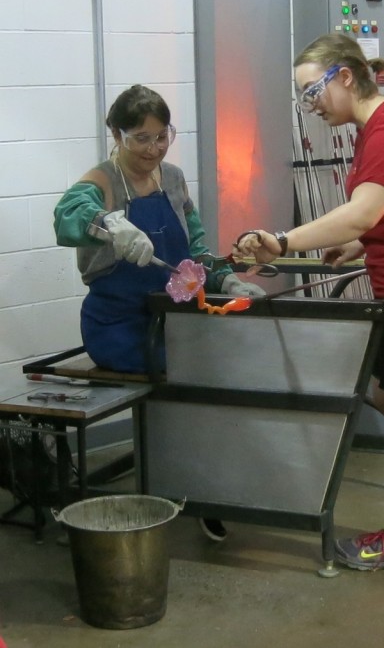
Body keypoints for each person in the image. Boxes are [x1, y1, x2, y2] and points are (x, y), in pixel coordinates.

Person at [236, 34, 384, 571]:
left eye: (312, 91)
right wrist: (365, 242)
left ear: (345, 76)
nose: (310, 104)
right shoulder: (381, 126)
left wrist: (284, 240)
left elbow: (365, 209)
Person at [53, 84, 264, 541]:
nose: (153, 149)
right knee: (194, 378)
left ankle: (208, 486)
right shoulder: (102, 182)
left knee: (231, 368)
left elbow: (197, 249)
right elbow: (66, 215)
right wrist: (107, 222)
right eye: (140, 139)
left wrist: (224, 280)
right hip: (121, 326)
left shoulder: (172, 179)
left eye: (161, 136)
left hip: (176, 317)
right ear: (116, 134)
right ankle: (189, 487)